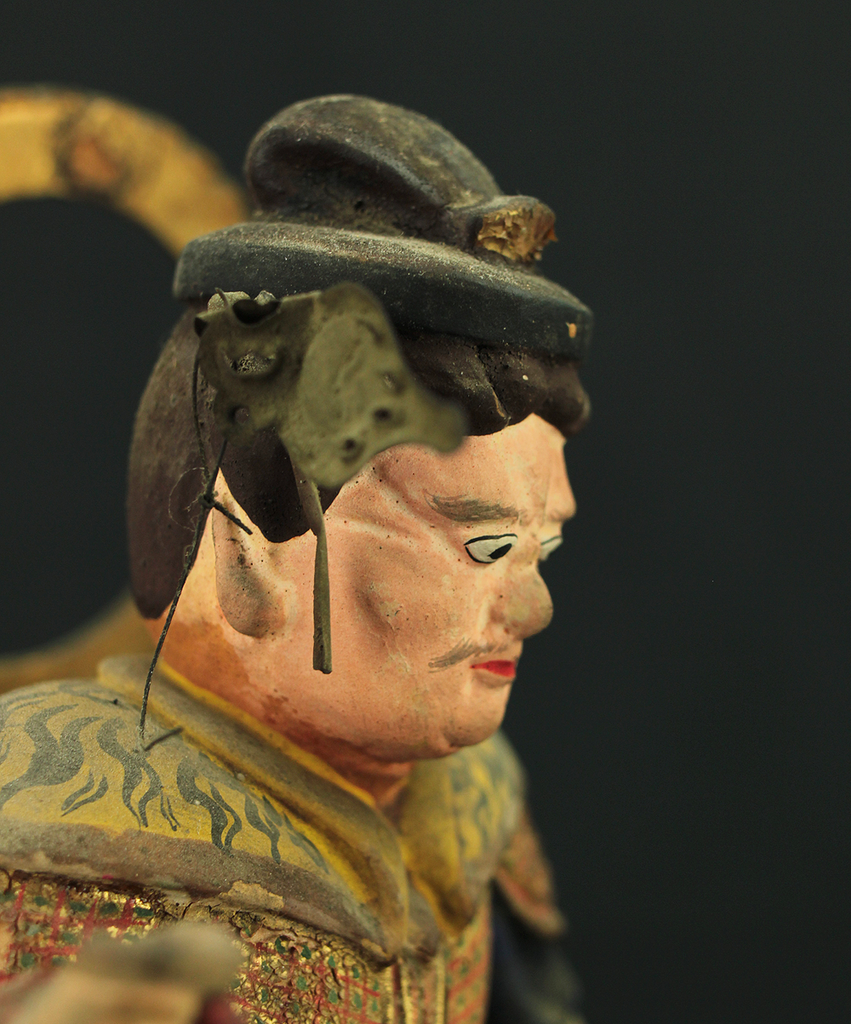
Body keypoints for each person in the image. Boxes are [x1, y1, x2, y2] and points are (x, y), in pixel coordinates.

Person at [0, 95, 593, 1024]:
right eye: (482, 545)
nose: (533, 607)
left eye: (540, 548)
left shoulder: (471, 804)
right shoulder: (55, 846)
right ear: (246, 553)